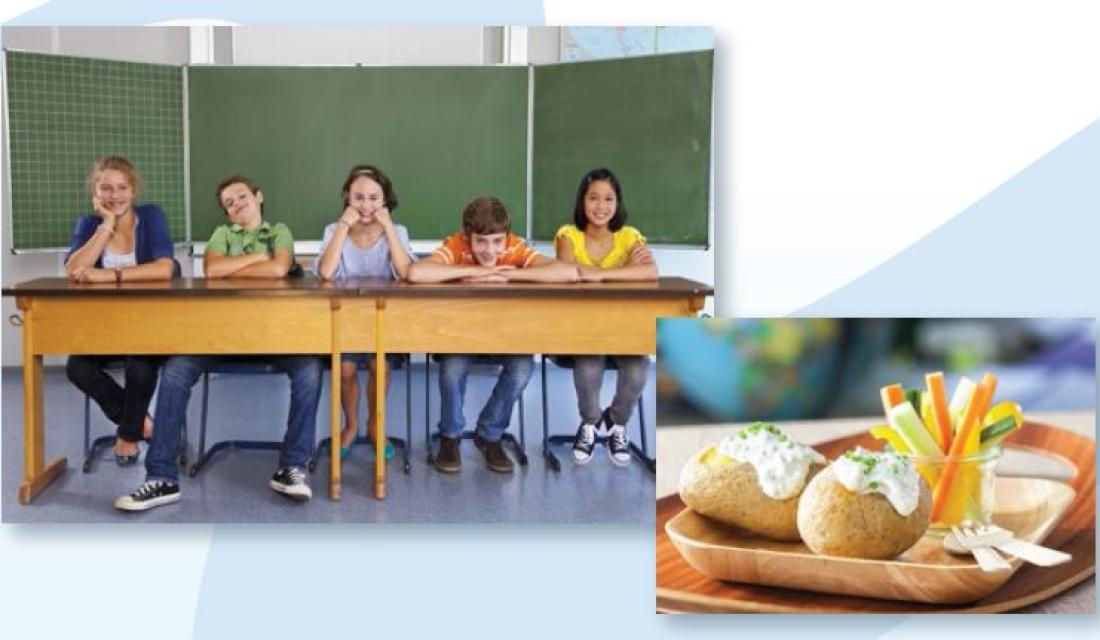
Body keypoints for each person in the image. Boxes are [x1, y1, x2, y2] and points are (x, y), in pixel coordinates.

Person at [114, 175, 322, 511]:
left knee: (310, 369)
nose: (237, 203)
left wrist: (241, 267)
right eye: (229, 203)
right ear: (227, 214)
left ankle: (292, 468)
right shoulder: (221, 234)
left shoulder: (279, 231)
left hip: (277, 335)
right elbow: (213, 270)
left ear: (258, 197)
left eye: (242, 196)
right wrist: (260, 260)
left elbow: (279, 269)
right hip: (219, 335)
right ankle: (161, 477)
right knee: (176, 369)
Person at [407, 196, 578, 473]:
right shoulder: (457, 245)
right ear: (468, 237)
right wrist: (472, 272)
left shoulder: (514, 247)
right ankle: (450, 437)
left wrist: (509, 275)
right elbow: (415, 273)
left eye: (497, 241)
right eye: (481, 242)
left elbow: (568, 272)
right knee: (452, 368)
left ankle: (489, 435)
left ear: (506, 238)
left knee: (523, 366)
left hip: (505, 336)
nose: (490, 250)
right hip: (461, 336)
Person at [64, 155, 174, 465]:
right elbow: (74, 268)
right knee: (77, 368)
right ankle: (140, 423)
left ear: (134, 191)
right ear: (95, 194)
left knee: (140, 367)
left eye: (122, 187)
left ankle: (127, 435)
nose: (115, 196)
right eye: (106, 188)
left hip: (149, 324)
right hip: (105, 327)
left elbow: (165, 268)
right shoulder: (89, 224)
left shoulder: (150, 217)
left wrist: (108, 276)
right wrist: (106, 226)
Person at [554, 167, 656, 466]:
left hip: (622, 327)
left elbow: (650, 272)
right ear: (582, 202)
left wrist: (598, 276)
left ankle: (616, 422)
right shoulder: (568, 235)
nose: (601, 206)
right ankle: (589, 423)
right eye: (593, 198)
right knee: (588, 367)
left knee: (638, 369)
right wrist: (625, 274)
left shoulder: (629, 236)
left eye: (608, 199)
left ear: (617, 202)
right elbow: (567, 273)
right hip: (581, 327)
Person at [314, 164, 414, 460]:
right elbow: (326, 273)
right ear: (347, 198)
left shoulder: (398, 232)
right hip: (344, 320)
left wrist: (390, 230)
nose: (366, 205)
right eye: (359, 197)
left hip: (384, 320)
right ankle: (352, 425)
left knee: (378, 366)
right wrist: (343, 226)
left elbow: (406, 272)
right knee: (344, 369)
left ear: (385, 201)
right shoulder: (334, 231)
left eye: (374, 198)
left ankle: (375, 425)